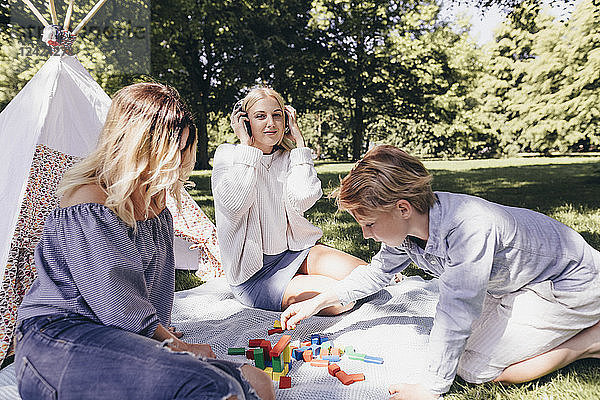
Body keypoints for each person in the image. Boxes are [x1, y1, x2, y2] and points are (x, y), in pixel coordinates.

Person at [15, 83, 274, 400]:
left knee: (256, 381)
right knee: (214, 388)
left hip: (120, 339)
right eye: (171, 151)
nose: (179, 162)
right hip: (59, 340)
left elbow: (156, 291)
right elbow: (117, 305)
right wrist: (176, 346)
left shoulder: (155, 203)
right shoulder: (90, 201)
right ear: (137, 145)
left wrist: (161, 339)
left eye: (183, 150)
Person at [281, 144, 600, 400]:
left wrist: (430, 389)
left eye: (369, 224)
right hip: (517, 285)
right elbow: (377, 272)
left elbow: (458, 311)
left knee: (476, 369)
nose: (365, 235)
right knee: (455, 352)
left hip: (567, 286)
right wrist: (318, 301)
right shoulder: (408, 229)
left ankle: (589, 341)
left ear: (402, 208)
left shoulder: (467, 228)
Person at [211, 87, 364, 313]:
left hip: (294, 252)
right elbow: (234, 206)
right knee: (343, 299)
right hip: (255, 275)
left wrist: (299, 144)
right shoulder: (229, 155)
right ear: (245, 122)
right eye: (260, 116)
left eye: (277, 115)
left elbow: (304, 198)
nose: (271, 123)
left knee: (367, 277)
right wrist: (246, 147)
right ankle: (302, 282)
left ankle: (304, 275)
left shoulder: (287, 158)